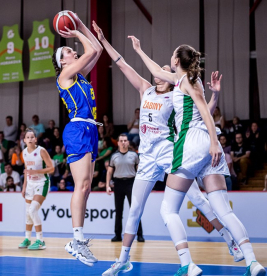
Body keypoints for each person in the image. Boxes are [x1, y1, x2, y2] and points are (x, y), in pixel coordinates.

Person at [93, 23, 245, 276]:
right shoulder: (145, 90)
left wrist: (215, 100)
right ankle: (123, 260)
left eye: (164, 71)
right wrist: (103, 39)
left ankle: (228, 238)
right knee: (135, 210)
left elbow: (202, 110)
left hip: (168, 150)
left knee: (197, 197)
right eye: (158, 72)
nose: (158, 75)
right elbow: (121, 63)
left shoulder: (176, 95)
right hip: (147, 156)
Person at [124, 35, 264, 275]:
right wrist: (138, 50)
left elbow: (205, 114)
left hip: (192, 143)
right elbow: (158, 71)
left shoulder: (187, 80)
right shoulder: (184, 79)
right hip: (206, 146)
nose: (169, 58)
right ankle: (252, 261)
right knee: (223, 210)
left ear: (177, 60)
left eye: (172, 54)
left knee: (168, 210)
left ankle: (188, 264)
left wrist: (213, 141)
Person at [52, 15, 103, 266]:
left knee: (88, 187)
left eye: (73, 49)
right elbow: (90, 48)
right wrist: (77, 31)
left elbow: (98, 50)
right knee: (81, 186)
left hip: (90, 130)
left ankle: (79, 239)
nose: (74, 51)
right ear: (63, 61)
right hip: (77, 130)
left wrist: (82, 28)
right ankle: (76, 240)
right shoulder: (65, 76)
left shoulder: (80, 75)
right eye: (70, 50)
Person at [19, 128, 54, 250]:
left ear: (35, 139)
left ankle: (40, 241)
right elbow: (26, 171)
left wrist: (37, 171)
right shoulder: (23, 152)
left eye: (31, 137)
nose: (29, 139)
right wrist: (24, 187)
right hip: (30, 185)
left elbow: (51, 168)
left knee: (33, 210)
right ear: (24, 140)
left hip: (42, 183)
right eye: (27, 137)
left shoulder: (41, 151)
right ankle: (27, 239)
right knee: (28, 213)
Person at [106, 134, 143, 243]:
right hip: (118, 184)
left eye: (125, 140)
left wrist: (140, 184)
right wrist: (107, 185)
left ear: (128, 142)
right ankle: (117, 235)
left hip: (131, 183)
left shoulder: (134, 155)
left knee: (135, 210)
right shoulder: (114, 156)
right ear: (118, 143)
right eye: (121, 140)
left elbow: (139, 170)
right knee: (118, 211)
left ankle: (140, 235)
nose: (123, 142)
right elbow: (109, 172)